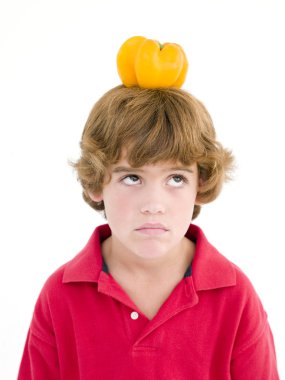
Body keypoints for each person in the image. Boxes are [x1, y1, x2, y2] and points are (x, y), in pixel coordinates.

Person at [18, 42, 280, 379]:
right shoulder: (60, 295)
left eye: (175, 178)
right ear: (96, 182)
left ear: (200, 183)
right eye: (131, 177)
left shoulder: (235, 296)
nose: (154, 204)